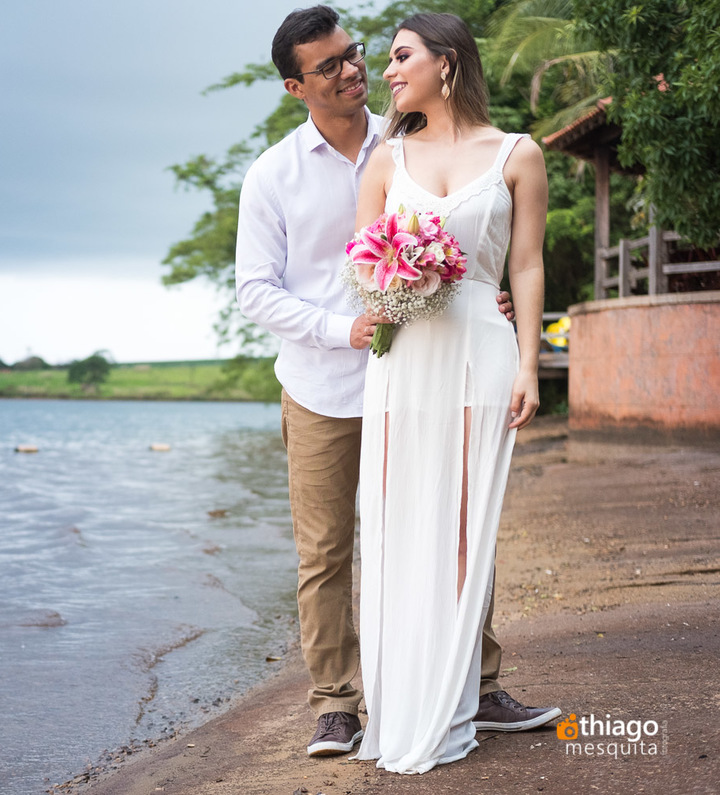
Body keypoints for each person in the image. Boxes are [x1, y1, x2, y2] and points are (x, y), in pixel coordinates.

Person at [234, 5, 559, 760]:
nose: (354, 70)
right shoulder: (274, 173)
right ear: (295, 86)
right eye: (332, 66)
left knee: (449, 522)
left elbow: (487, 239)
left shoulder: (403, 139)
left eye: (357, 54)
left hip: (424, 363)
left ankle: (475, 684)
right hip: (324, 381)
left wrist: (481, 295)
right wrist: (339, 326)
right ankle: (338, 706)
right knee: (327, 552)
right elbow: (255, 289)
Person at [351, 13, 560, 774]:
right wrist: (393, 289)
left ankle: (455, 701)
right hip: (403, 357)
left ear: (447, 63)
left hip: (480, 349)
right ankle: (403, 701)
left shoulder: (518, 153)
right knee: (401, 521)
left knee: (466, 529)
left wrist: (530, 365)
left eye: (401, 56)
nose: (388, 72)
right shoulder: (385, 160)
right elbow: (365, 270)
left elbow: (527, 267)